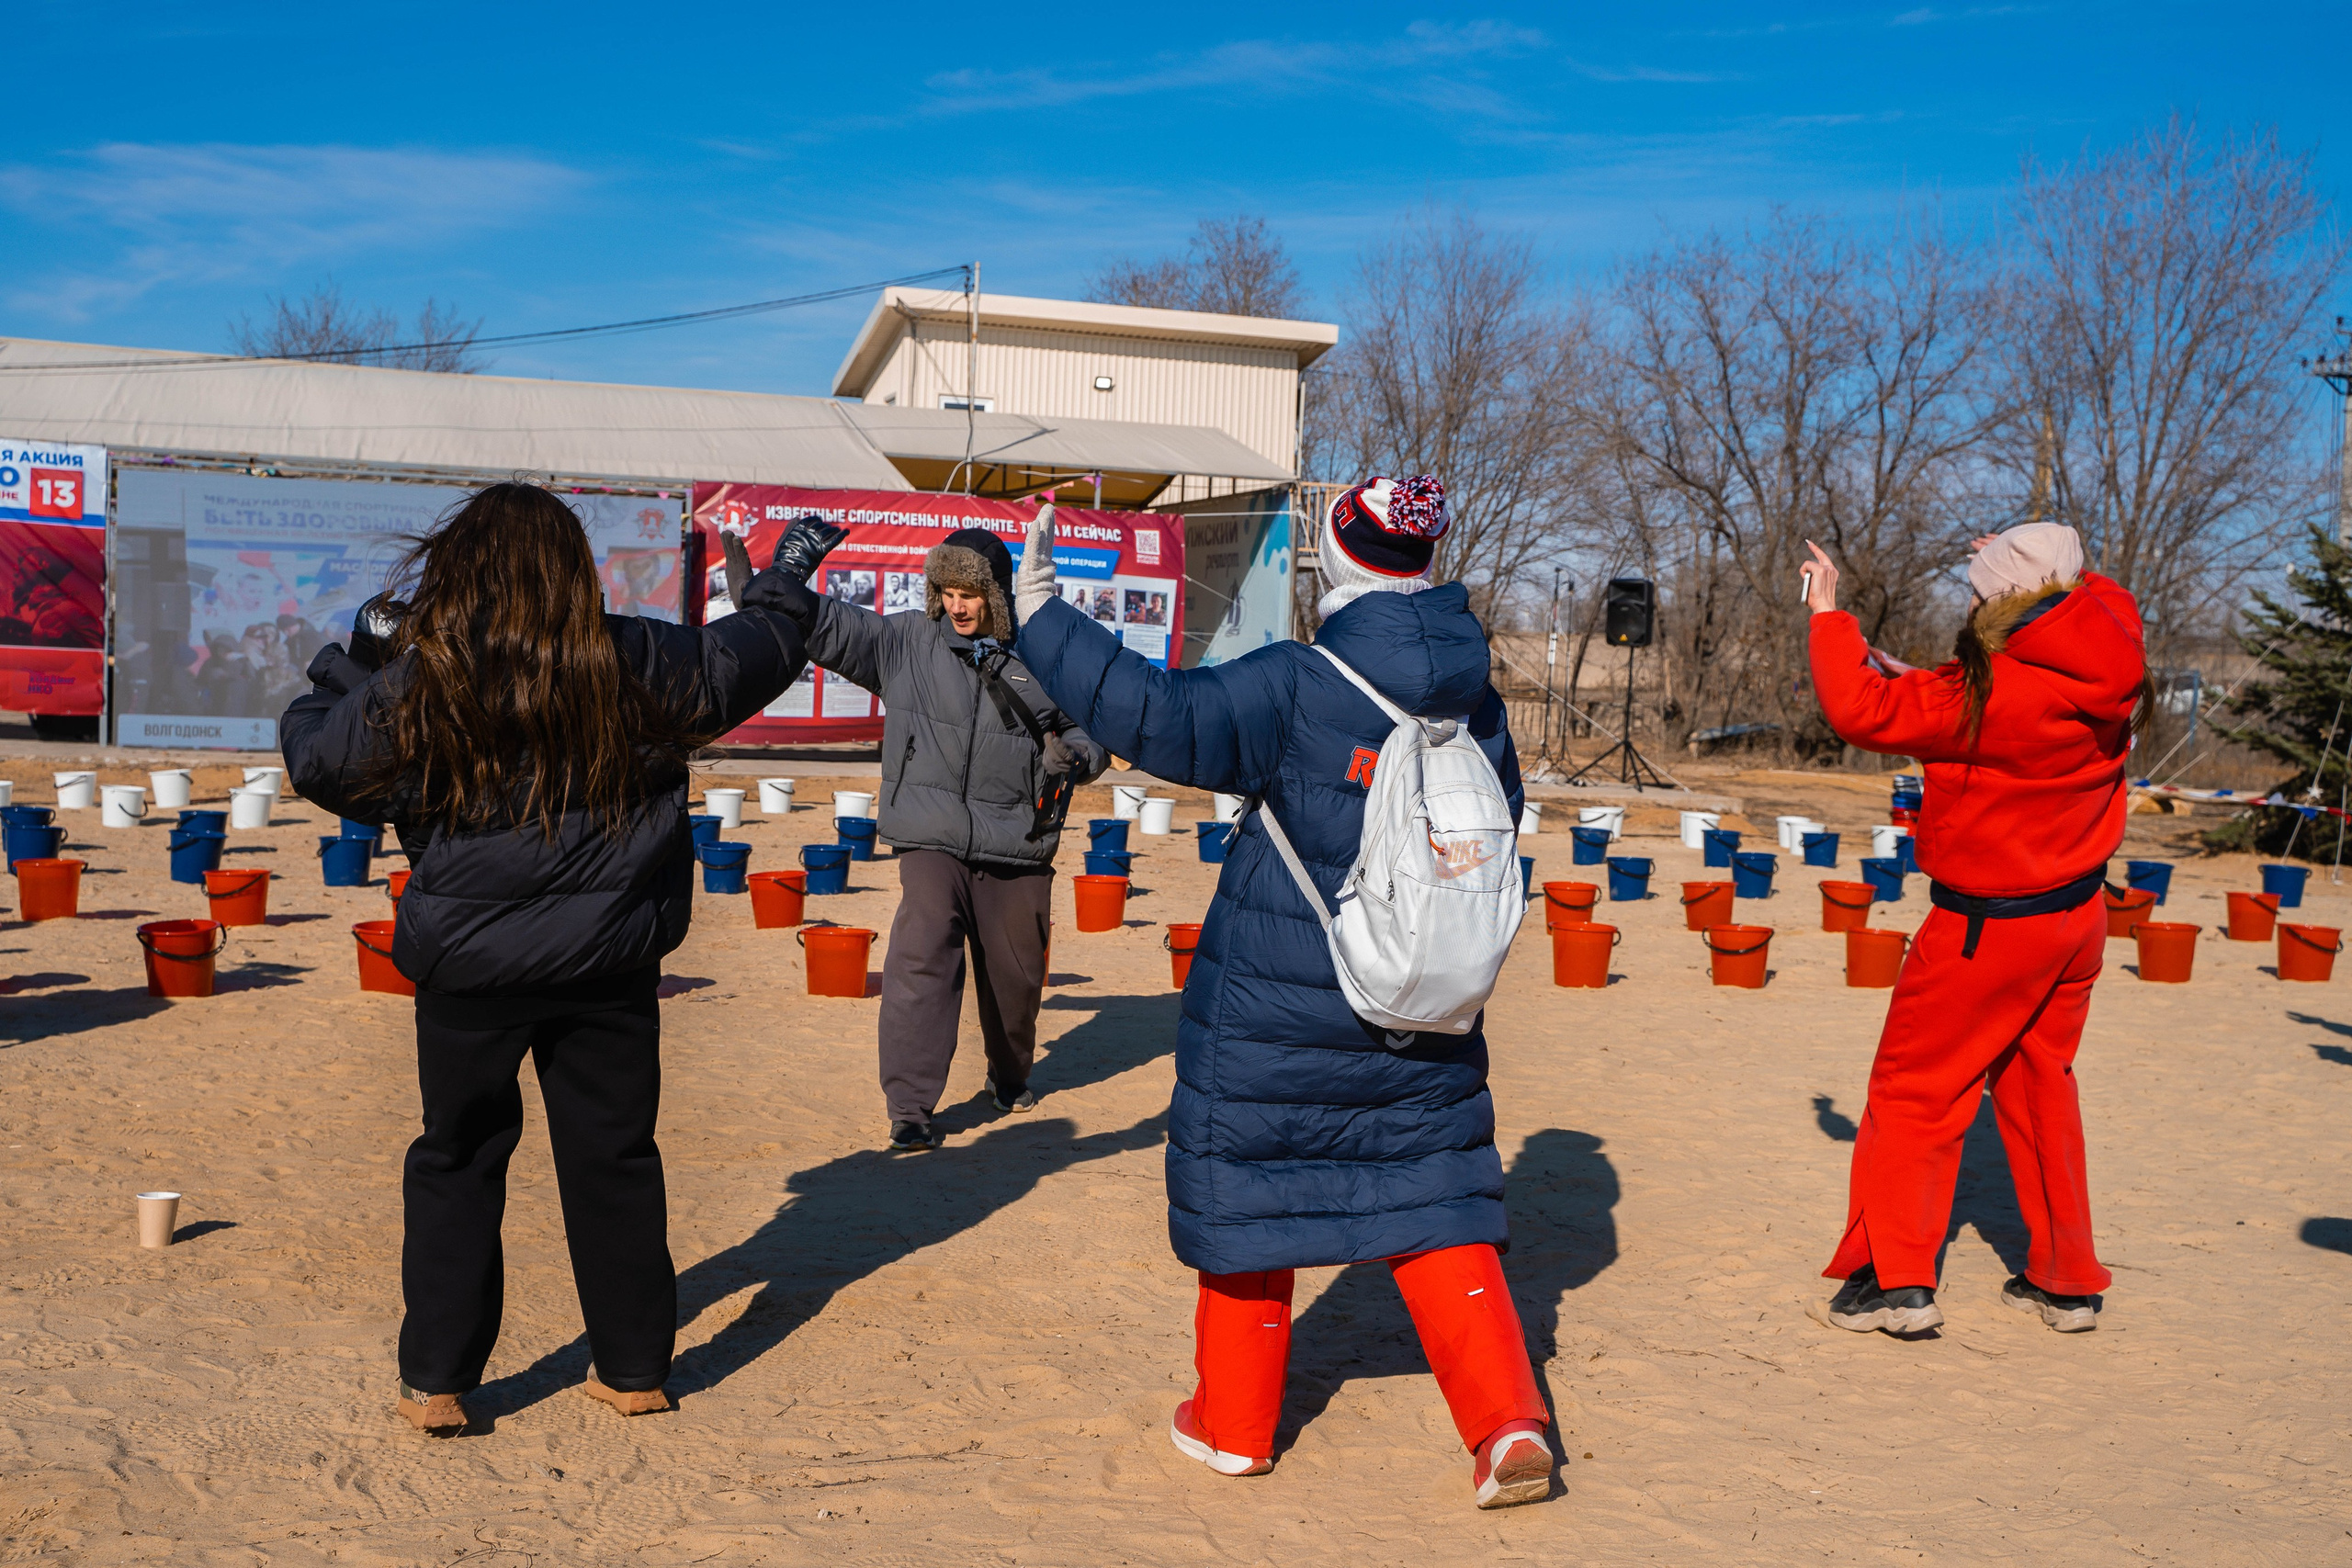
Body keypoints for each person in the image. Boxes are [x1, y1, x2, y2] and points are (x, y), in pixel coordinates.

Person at [1010, 478, 1555, 1510]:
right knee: (1436, 1200)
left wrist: (1041, 610)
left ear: (1336, 560)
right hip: (1426, 1001)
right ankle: (1506, 1423)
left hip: (1278, 999)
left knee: (1251, 1196)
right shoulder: (1476, 702)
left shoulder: (1298, 682)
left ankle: (1234, 1426)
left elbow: (1158, 715)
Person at [280, 482, 815, 1434]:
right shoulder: (638, 657)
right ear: (573, 570)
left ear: (462, 568)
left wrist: (357, 657)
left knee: (457, 1159)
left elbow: (320, 760)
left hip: (469, 970)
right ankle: (634, 1370)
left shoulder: (427, 675)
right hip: (608, 964)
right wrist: (783, 582)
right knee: (614, 1157)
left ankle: (438, 1382)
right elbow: (762, 650)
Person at [1799, 524, 2151, 1337]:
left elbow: (1860, 709)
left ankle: (1894, 1282)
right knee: (2040, 1088)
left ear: (2002, 602)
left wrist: (1828, 616)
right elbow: (2090, 596)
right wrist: (2030, 556)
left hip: (1986, 929)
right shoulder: (2115, 650)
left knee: (1914, 1092)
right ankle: (2065, 1281)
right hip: (2077, 918)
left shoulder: (1986, 693)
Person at [726, 516, 1107, 1153]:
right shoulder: (907, 641)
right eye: (947, 592)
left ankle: (1009, 1075)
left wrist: (1077, 756)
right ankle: (910, 1106)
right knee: (922, 949)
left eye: (970, 593)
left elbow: (1085, 727)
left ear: (997, 596)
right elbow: (832, 625)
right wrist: (776, 590)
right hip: (930, 831)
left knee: (1016, 978)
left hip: (1017, 836)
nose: (957, 606)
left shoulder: (1040, 657)